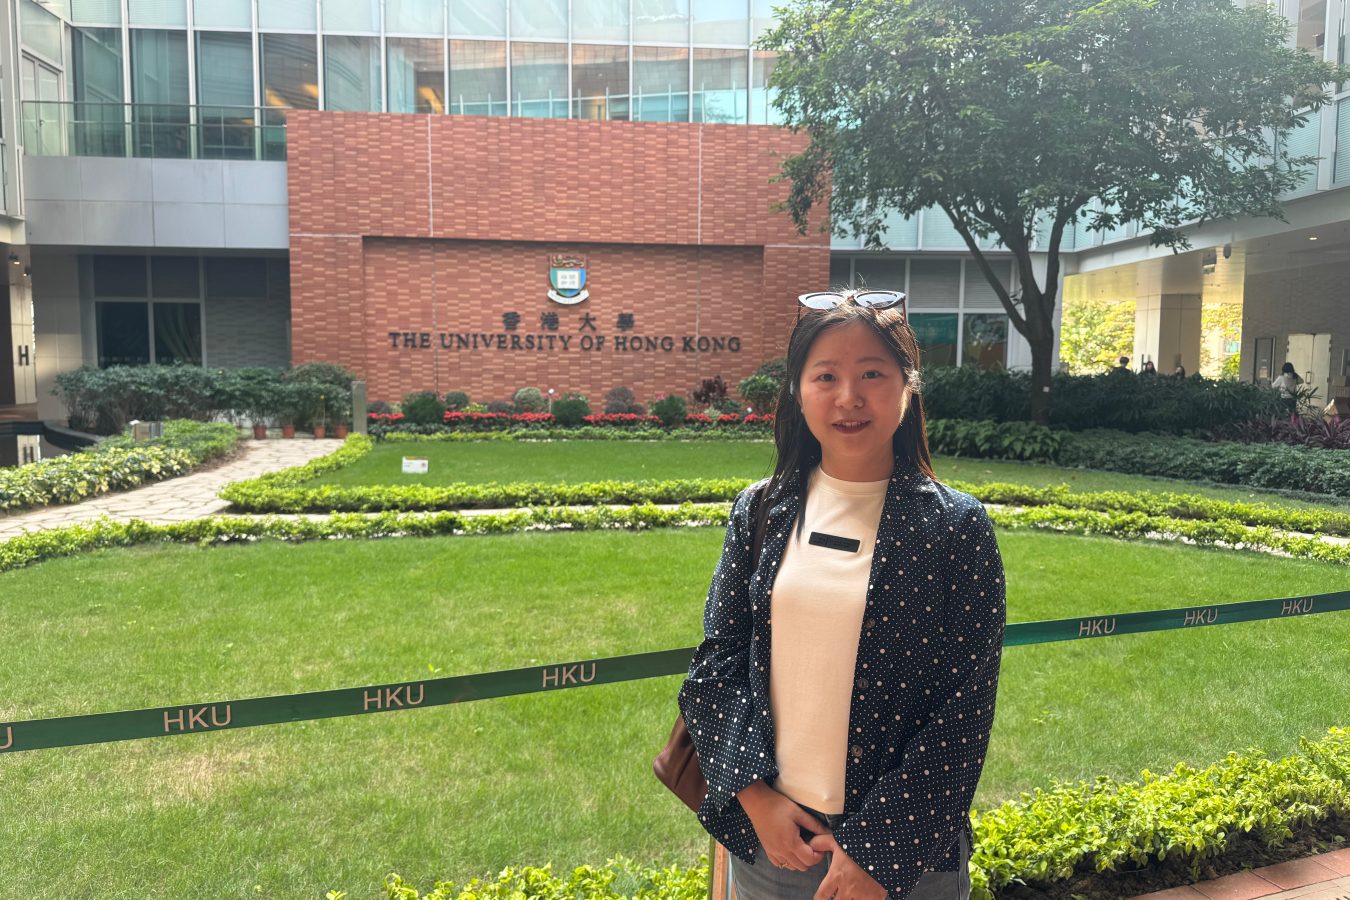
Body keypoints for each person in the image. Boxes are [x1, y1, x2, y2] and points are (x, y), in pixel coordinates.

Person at [678, 289, 1006, 900]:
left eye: (872, 375)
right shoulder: (762, 510)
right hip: (776, 843)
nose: (849, 397)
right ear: (798, 392)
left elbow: (963, 711)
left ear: (908, 388)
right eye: (825, 376)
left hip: (905, 858)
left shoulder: (956, 529)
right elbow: (716, 665)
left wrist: (875, 855)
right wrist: (756, 800)